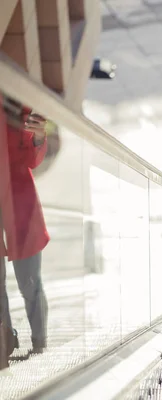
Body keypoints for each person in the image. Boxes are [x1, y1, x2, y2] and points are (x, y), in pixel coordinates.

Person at [0, 95, 49, 364]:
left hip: (20, 201)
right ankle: (5, 339)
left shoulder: (22, 100)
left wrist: (40, 137)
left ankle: (40, 341)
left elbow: (33, 158)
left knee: (29, 280)